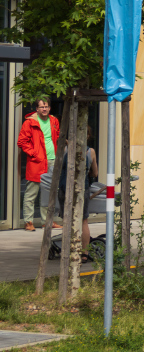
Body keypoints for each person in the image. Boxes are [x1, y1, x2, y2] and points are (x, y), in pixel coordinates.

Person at [17, 100, 60, 232]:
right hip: (37, 162)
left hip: (52, 160)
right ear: (37, 108)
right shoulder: (29, 122)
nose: (44, 109)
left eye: (46, 106)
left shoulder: (54, 121)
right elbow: (22, 141)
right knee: (31, 193)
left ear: (49, 107)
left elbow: (57, 137)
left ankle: (47, 221)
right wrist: (34, 154)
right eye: (42, 107)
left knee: (49, 193)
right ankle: (28, 222)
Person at [57, 145, 99, 262]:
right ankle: (84, 253)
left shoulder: (65, 149)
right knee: (83, 220)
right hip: (82, 190)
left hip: (64, 189)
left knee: (67, 220)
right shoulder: (91, 152)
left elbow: (58, 169)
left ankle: (67, 251)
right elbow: (95, 173)